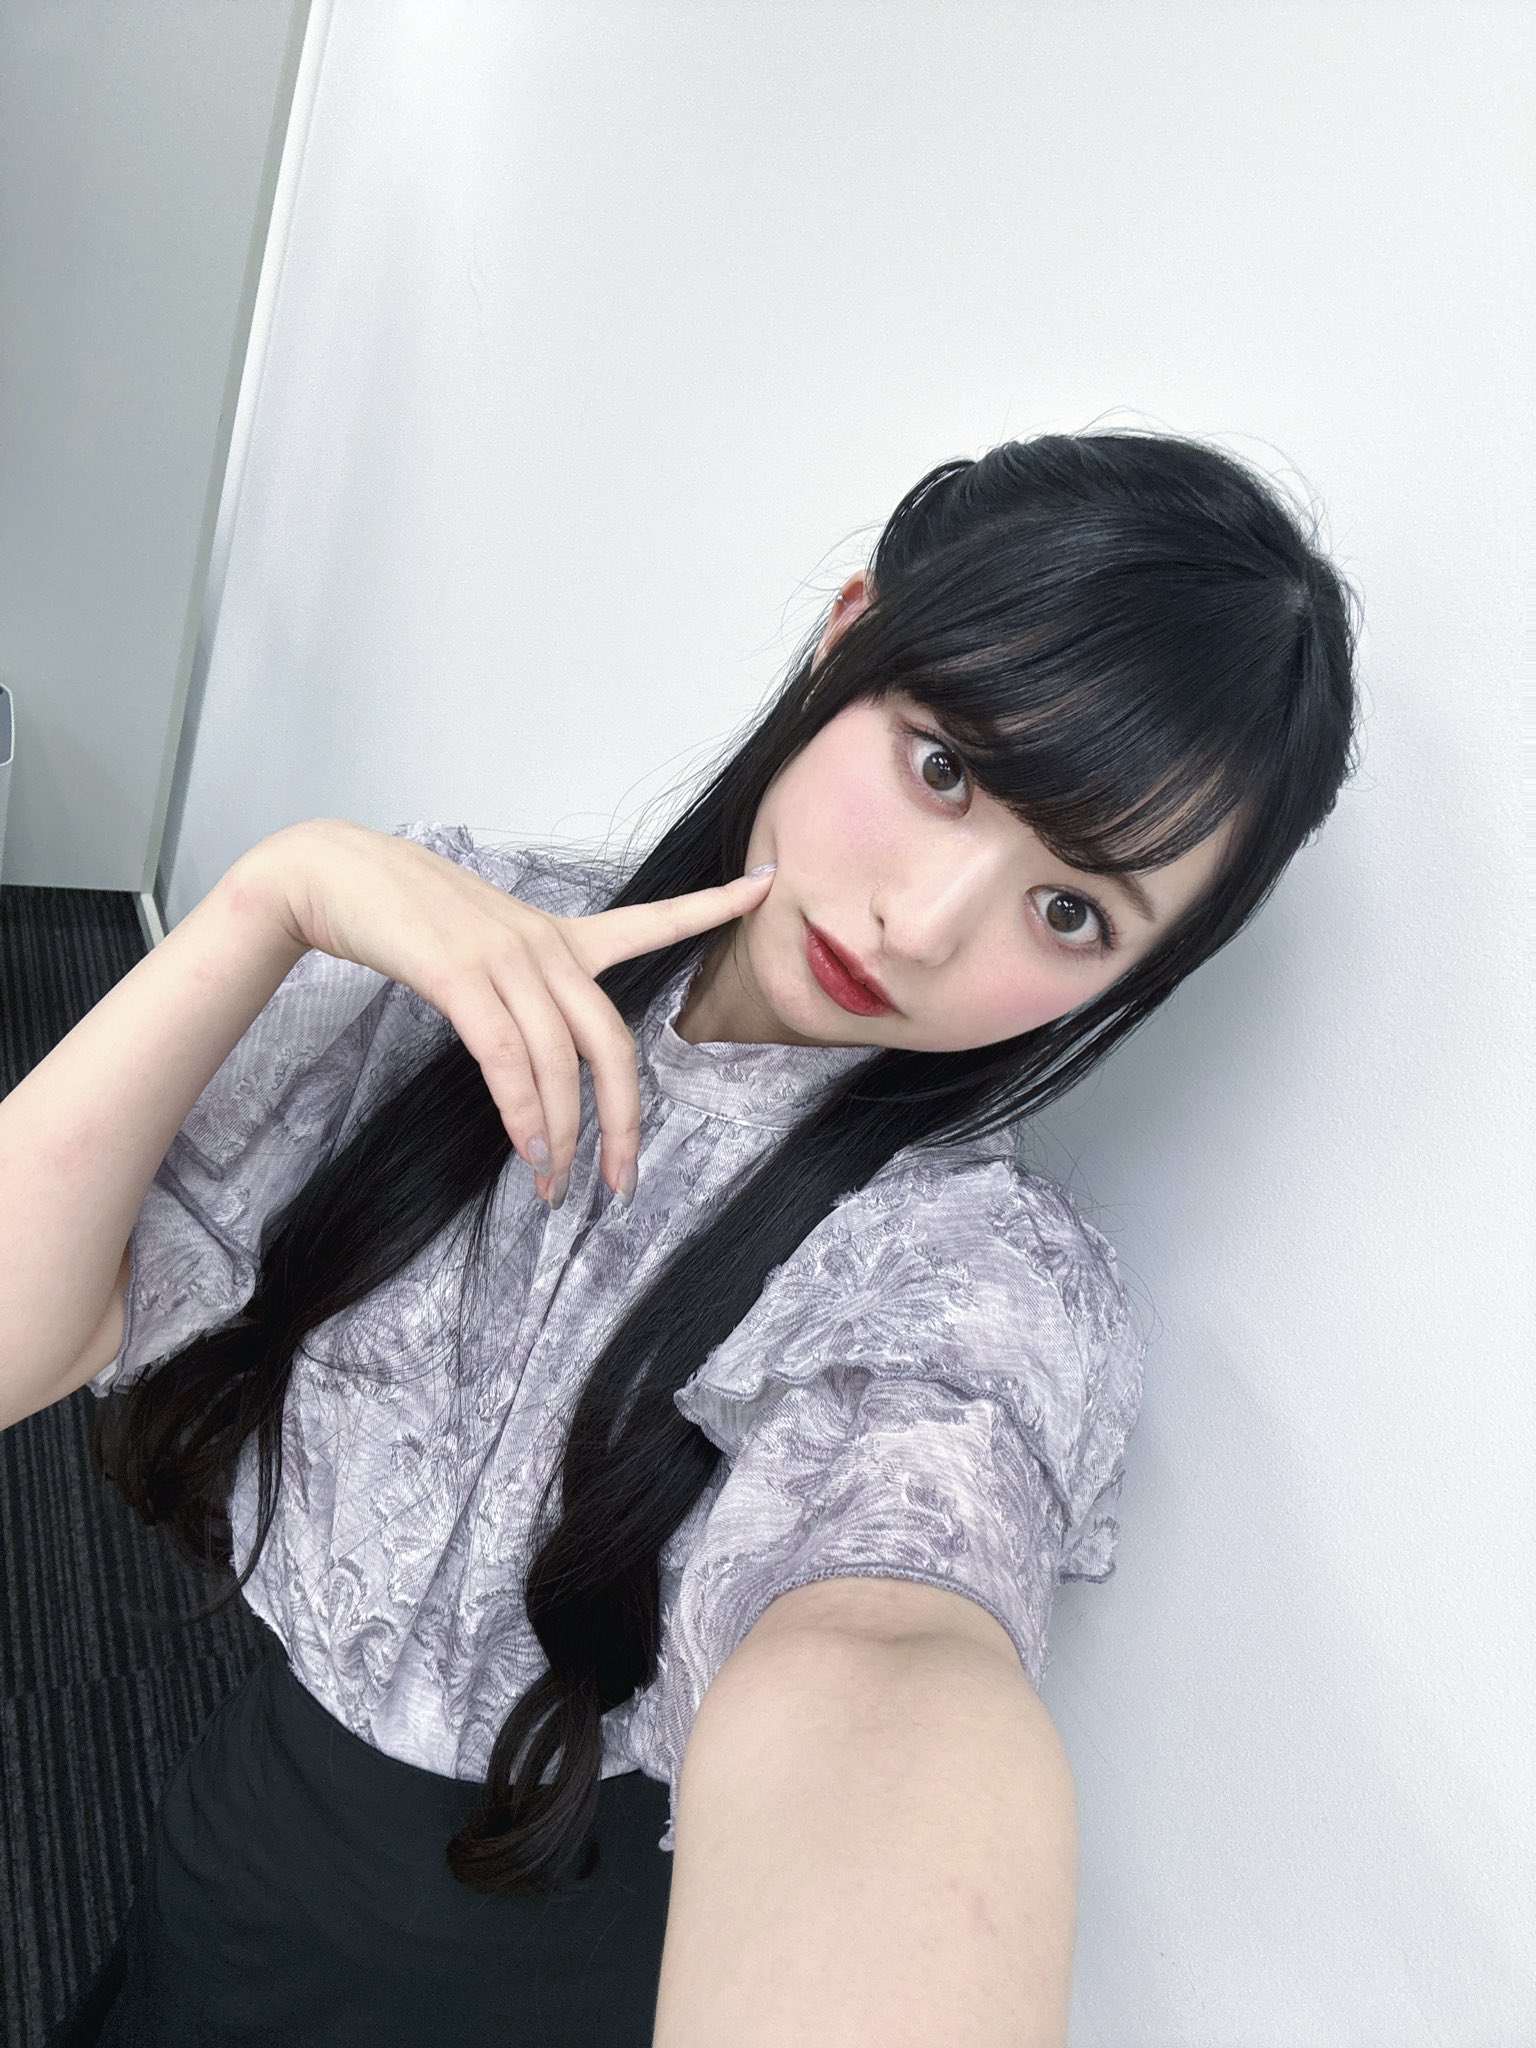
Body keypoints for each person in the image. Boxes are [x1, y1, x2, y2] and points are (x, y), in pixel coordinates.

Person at [8, 430, 1361, 2045]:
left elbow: (890, 1650)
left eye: (1071, 911)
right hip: (246, 1823)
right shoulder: (459, 940)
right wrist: (270, 901)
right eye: (946, 769)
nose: (922, 926)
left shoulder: (969, 1284)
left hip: (547, 1965)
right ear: (847, 638)